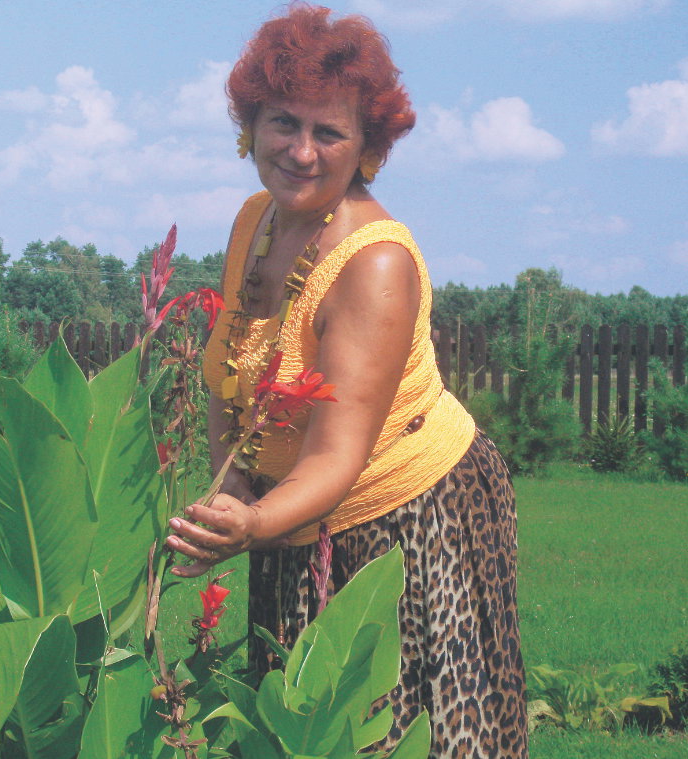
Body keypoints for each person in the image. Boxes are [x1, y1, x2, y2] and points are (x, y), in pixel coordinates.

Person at [163, 5, 527, 758]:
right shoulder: (253, 222)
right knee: (297, 727)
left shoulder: (374, 262)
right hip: (291, 515)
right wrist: (228, 494)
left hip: (410, 521)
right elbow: (230, 372)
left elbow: (337, 454)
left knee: (403, 733)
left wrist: (250, 526)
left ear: (367, 147)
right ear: (249, 125)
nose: (299, 151)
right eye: (281, 123)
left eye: (327, 132)